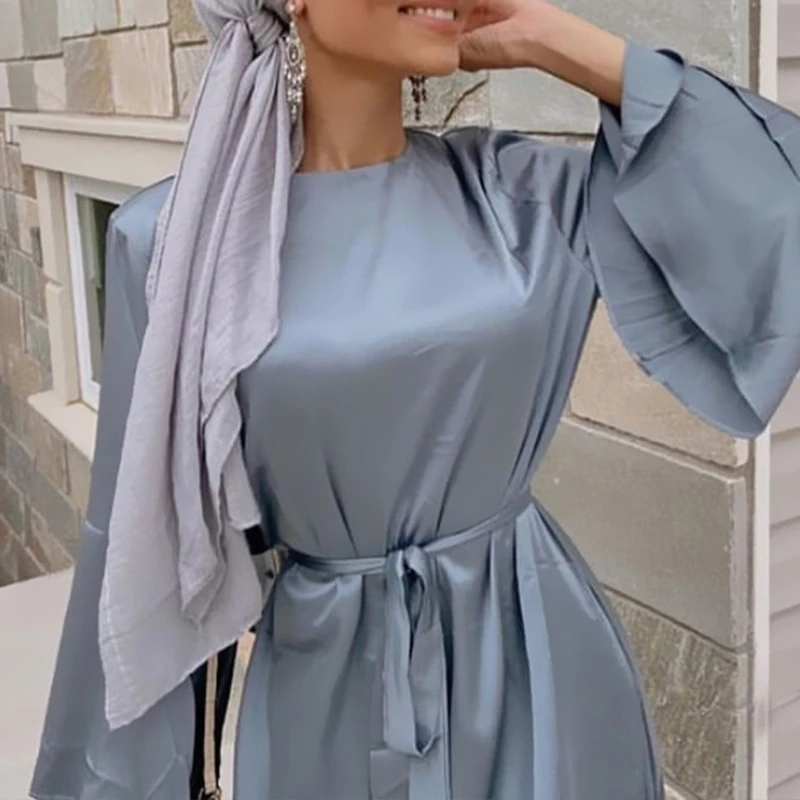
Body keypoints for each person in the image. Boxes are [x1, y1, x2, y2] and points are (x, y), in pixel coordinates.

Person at [31, 0, 800, 798]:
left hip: (540, 660)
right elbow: (140, 544)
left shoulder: (520, 196)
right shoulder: (181, 245)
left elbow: (777, 224)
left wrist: (559, 41)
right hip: (326, 691)